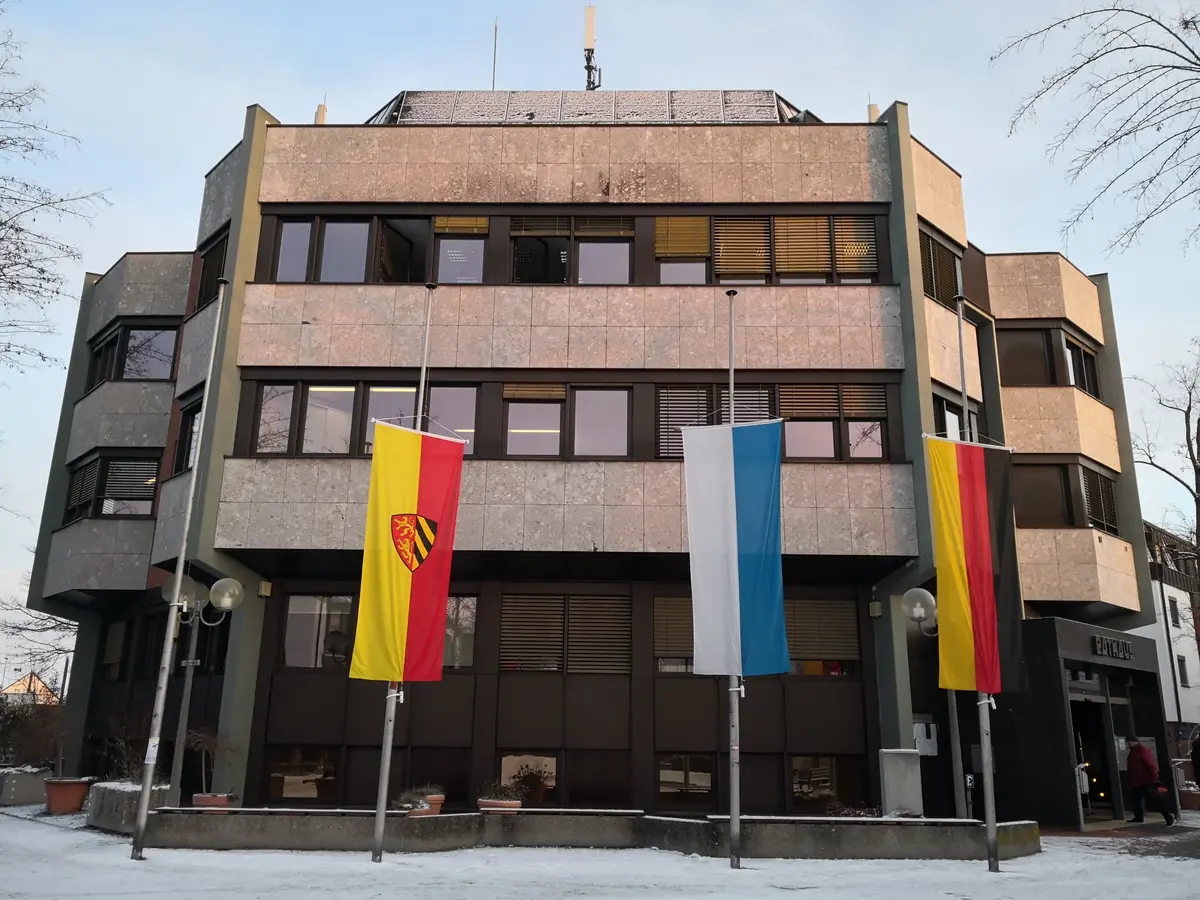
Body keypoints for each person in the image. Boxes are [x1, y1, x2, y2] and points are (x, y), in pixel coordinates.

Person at [1126, 736, 1175, 825]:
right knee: (1136, 800)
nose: (1128, 744)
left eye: (1129, 742)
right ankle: (1138, 817)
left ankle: (1168, 817)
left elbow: (1150, 764)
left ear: (1134, 742)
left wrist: (1154, 778)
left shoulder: (1142, 751)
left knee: (1155, 800)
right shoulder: (1135, 751)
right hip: (1138, 781)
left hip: (1146, 781)